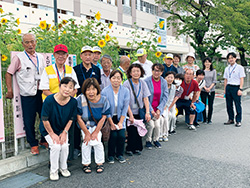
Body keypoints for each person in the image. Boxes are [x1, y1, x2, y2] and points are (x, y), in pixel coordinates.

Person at [5, 33, 46, 155]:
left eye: (32, 41)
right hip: (28, 94)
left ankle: (44, 140)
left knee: (45, 117)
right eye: (27, 42)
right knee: (29, 120)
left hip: (42, 92)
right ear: (23, 44)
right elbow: (8, 73)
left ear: (36, 42)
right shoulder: (19, 58)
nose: (30, 44)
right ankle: (33, 144)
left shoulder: (41, 57)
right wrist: (10, 90)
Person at [39, 77, 77, 181]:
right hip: (48, 129)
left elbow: (71, 119)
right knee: (56, 146)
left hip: (62, 128)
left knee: (64, 146)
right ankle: (53, 171)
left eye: (70, 87)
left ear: (73, 90)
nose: (67, 89)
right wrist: (52, 134)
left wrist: (64, 132)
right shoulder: (49, 100)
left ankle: (63, 168)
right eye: (65, 86)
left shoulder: (73, 102)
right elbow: (45, 119)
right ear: (60, 87)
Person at [76, 78, 110, 174]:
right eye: (88, 89)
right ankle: (86, 164)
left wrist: (95, 132)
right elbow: (78, 118)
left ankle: (100, 163)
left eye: (93, 89)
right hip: (85, 124)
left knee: (97, 141)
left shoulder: (103, 100)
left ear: (97, 89)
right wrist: (87, 133)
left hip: (97, 124)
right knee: (86, 141)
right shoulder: (80, 99)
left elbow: (103, 118)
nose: (91, 92)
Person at [101, 70, 130, 163]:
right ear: (110, 79)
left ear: (121, 79)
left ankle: (120, 154)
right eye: (113, 78)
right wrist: (111, 123)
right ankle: (110, 155)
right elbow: (106, 109)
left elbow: (125, 108)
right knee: (113, 135)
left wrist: (121, 122)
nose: (116, 80)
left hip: (121, 116)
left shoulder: (125, 91)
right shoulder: (105, 91)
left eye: (118, 78)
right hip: (109, 116)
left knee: (121, 136)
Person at [123, 64, 151, 155]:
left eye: (138, 71)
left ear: (141, 72)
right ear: (130, 73)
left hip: (140, 110)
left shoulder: (143, 83)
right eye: (134, 71)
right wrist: (130, 115)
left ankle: (138, 148)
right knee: (131, 130)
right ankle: (129, 148)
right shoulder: (126, 83)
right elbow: (125, 101)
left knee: (139, 129)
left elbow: (146, 98)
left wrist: (147, 112)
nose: (136, 73)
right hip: (129, 111)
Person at [144, 63, 168, 149]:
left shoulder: (164, 82)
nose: (156, 72)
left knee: (157, 125)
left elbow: (165, 97)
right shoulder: (147, 81)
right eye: (154, 70)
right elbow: (145, 97)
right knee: (151, 125)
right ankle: (148, 140)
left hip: (158, 108)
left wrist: (159, 109)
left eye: (158, 71)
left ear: (161, 72)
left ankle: (156, 140)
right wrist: (151, 110)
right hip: (148, 108)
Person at [223, 52, 245, 127]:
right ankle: (231, 119)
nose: (230, 59)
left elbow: (241, 79)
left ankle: (238, 120)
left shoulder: (240, 68)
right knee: (229, 104)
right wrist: (225, 89)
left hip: (236, 87)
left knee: (237, 104)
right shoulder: (227, 68)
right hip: (228, 87)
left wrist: (240, 89)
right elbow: (225, 80)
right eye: (229, 58)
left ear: (235, 58)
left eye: (232, 58)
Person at [160, 71, 176, 141]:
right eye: (168, 77)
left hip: (167, 106)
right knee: (162, 119)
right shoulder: (162, 85)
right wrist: (162, 106)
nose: (170, 79)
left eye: (171, 77)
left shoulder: (173, 87)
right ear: (165, 78)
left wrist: (167, 106)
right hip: (160, 105)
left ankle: (165, 134)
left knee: (166, 118)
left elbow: (171, 98)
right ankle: (160, 135)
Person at [200, 57, 217, 124]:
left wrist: (209, 88)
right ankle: (204, 119)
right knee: (203, 104)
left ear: (210, 63)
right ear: (204, 63)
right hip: (203, 90)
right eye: (206, 62)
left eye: (208, 62)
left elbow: (214, 80)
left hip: (211, 90)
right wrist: (205, 87)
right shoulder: (202, 71)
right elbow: (200, 80)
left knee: (210, 105)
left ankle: (209, 119)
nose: (207, 63)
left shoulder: (213, 71)